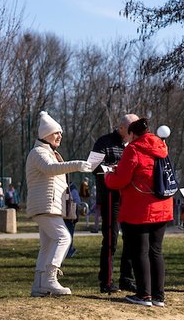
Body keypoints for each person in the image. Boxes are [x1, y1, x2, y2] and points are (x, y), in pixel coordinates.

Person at [105, 118, 173, 307]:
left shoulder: (133, 149)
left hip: (140, 209)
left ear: (133, 135)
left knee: (140, 252)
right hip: (163, 206)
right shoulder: (161, 146)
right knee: (156, 251)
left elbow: (121, 180)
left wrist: (109, 176)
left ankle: (144, 295)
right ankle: (159, 296)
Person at [26, 111, 92, 297]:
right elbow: (50, 169)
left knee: (47, 244)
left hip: (49, 205)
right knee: (64, 238)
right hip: (45, 205)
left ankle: (39, 285)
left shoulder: (48, 153)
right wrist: (77, 165)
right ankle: (50, 279)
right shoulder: (38, 152)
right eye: (57, 133)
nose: (60, 136)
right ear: (46, 134)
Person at [92, 113, 139, 294]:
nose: (133, 133)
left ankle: (127, 279)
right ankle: (107, 281)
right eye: (130, 130)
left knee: (132, 239)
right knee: (111, 239)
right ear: (121, 128)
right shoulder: (104, 142)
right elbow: (93, 166)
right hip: (111, 196)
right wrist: (115, 169)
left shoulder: (135, 144)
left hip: (131, 197)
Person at [63, 182, 81, 259]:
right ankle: (69, 251)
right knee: (69, 235)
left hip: (60, 214)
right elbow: (77, 201)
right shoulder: (72, 188)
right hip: (70, 215)